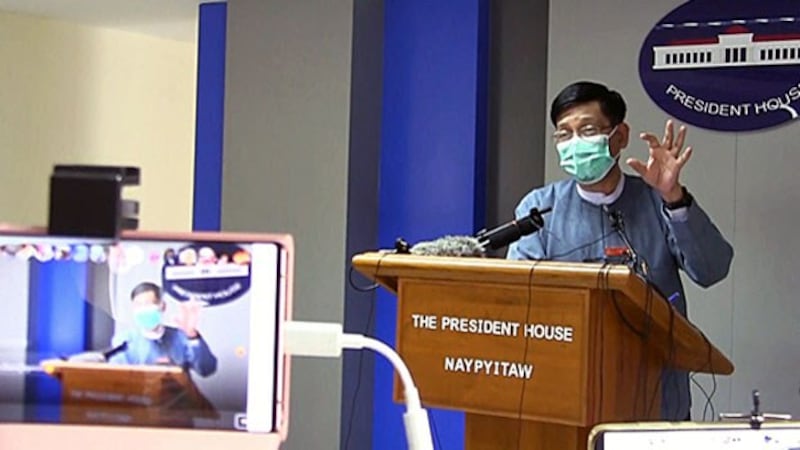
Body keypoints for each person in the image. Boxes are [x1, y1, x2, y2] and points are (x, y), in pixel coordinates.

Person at [507, 81, 733, 421]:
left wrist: (675, 199)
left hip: (656, 400)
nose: (575, 143)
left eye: (587, 130)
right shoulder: (540, 208)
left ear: (620, 135)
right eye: (564, 134)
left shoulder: (658, 200)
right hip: (569, 397)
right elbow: (523, 301)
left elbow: (712, 270)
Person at [109, 282, 218, 377]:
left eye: (149, 304)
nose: (144, 310)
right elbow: (118, 379)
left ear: (163, 306)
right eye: (139, 305)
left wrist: (192, 336)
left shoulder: (181, 336)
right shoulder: (124, 341)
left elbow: (207, 370)